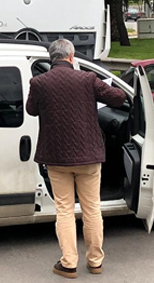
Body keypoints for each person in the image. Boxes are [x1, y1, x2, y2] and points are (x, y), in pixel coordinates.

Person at [26, 39, 126, 279]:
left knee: (64, 210)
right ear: (71, 57)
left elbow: (31, 109)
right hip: (89, 156)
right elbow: (119, 98)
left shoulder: (39, 82)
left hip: (56, 158)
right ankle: (95, 261)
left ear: (52, 58)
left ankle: (69, 263)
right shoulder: (87, 79)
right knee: (92, 209)